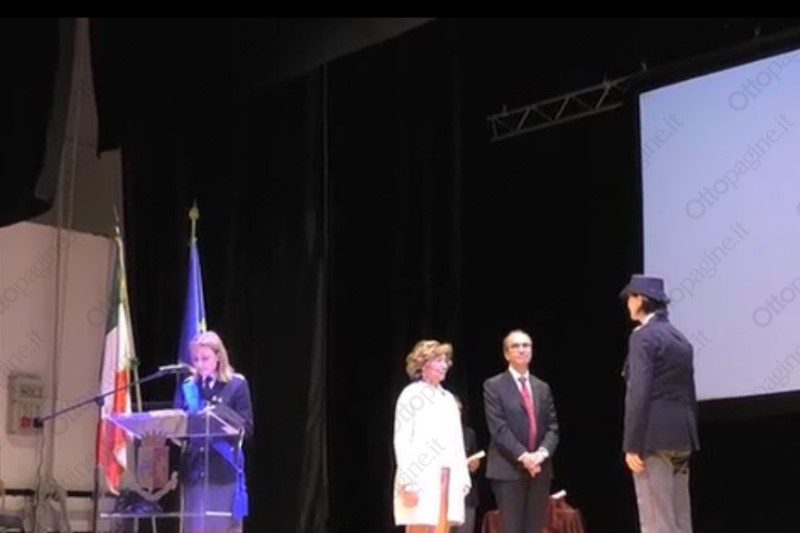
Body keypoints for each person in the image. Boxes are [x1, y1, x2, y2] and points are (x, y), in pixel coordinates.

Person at [619, 275, 699, 533]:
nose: (628, 304)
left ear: (640, 299)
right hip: (682, 437)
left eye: (630, 298)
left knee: (656, 521)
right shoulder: (680, 339)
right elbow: (689, 393)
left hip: (653, 438)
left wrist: (631, 445)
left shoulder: (642, 337)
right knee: (680, 519)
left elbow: (639, 393)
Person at [173, 330, 254, 533]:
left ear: (219, 356)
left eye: (205, 358)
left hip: (222, 471)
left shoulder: (236, 385)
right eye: (196, 359)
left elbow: (247, 428)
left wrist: (224, 420)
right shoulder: (189, 387)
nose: (200, 364)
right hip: (194, 472)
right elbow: (179, 425)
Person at [483, 329, 559, 533]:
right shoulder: (494, 386)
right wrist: (524, 457)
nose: (522, 349)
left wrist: (540, 454)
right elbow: (499, 428)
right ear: (506, 354)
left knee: (534, 528)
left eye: (526, 345)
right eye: (515, 346)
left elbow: (552, 428)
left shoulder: (542, 387)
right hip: (508, 469)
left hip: (539, 470)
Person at [393, 339, 472, 533]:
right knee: (421, 524)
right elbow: (402, 440)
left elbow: (457, 442)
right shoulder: (411, 394)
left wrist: (463, 478)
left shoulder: (448, 399)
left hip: (446, 476)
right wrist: (408, 481)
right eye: (438, 360)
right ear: (423, 363)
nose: (444, 365)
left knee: (441, 526)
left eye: (446, 361)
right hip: (420, 477)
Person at [454, 396, 481, 533]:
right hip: (442, 497)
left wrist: (475, 466)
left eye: (459, 410)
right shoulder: (435, 434)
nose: (456, 413)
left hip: (466, 497)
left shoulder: (468, 434)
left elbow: (474, 458)